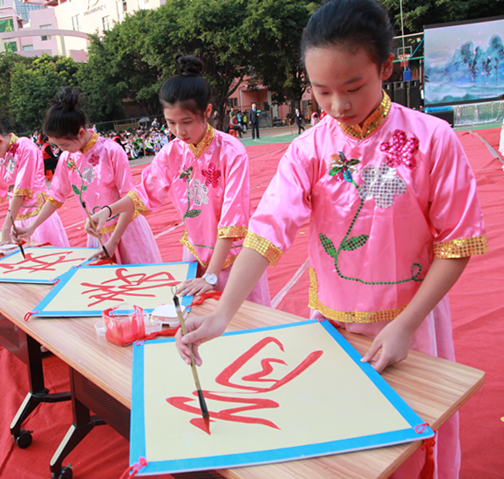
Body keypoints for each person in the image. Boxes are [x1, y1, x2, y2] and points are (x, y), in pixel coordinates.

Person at [175, 1, 487, 478]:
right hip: (334, 324)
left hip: (410, 321)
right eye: (322, 92)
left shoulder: (432, 139)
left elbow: (456, 244)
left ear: (385, 68)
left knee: (410, 443)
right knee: (346, 447)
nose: (338, 106)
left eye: (353, 88)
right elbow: (267, 231)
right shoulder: (309, 150)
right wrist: (222, 314)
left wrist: (406, 326)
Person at [87, 56, 270, 304]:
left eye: (186, 122)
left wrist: (212, 276)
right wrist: (107, 211)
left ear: (207, 112)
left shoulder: (231, 151)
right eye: (171, 123)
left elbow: (232, 219)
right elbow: (143, 194)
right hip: (196, 252)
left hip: (233, 257)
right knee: (195, 317)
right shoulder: (171, 153)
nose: (179, 131)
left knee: (240, 320)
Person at [18, 88, 160, 264]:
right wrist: (32, 227)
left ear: (80, 133)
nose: (61, 150)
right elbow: (55, 197)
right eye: (58, 146)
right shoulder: (67, 158)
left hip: (125, 232)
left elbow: (130, 199)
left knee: (136, 277)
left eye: (65, 145)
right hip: (97, 235)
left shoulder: (111, 151)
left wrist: (114, 240)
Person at [0, 111, 69, 246]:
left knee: (49, 253)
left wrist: (6, 228)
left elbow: (20, 191)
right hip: (16, 216)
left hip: (37, 215)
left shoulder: (26, 148)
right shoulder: (0, 157)